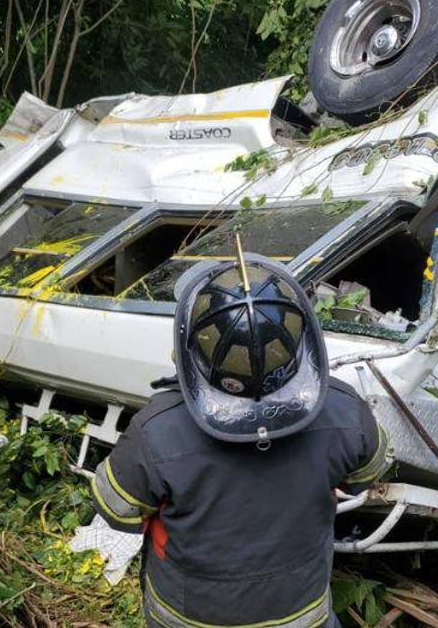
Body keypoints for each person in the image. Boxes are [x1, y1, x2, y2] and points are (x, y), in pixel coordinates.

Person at [91, 253, 392, 628]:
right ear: (303, 341)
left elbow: (118, 509)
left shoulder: (156, 431)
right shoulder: (347, 413)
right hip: (300, 614)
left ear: (191, 351)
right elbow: (368, 473)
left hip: (189, 616)